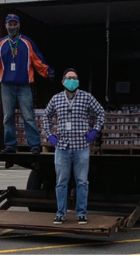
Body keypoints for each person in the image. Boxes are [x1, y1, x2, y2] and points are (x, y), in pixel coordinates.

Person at [0, 14, 54, 154]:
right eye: (10, 24)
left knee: (28, 116)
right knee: (8, 117)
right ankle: (10, 146)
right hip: (7, 86)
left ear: (18, 25)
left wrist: (47, 72)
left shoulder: (27, 42)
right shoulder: (1, 44)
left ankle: (35, 146)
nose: (12, 27)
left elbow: (38, 61)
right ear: (6, 26)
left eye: (15, 24)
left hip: (24, 85)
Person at [43, 69, 105, 225]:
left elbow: (100, 112)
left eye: (75, 78)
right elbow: (46, 116)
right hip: (62, 147)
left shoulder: (86, 97)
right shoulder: (56, 99)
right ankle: (60, 213)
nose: (72, 81)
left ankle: (82, 213)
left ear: (78, 81)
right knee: (61, 181)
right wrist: (49, 134)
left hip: (81, 146)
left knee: (82, 181)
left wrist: (95, 130)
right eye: (69, 78)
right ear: (63, 81)